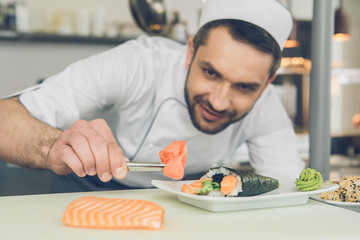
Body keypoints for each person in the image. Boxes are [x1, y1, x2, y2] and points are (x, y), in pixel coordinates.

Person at [0, 0, 305, 193]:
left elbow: (288, 186)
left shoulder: (267, 106)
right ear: (189, 54)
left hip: (192, 198)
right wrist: (55, 147)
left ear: (266, 85)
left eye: (245, 87)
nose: (219, 101)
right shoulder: (140, 63)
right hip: (89, 187)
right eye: (210, 73)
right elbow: (4, 118)